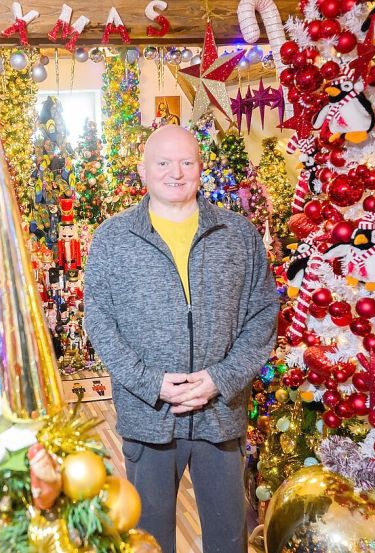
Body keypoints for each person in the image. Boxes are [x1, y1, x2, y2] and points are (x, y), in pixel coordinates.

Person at [84, 125, 278, 552]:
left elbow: (264, 314)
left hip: (221, 414)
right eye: (164, 162)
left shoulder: (238, 235)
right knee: (149, 541)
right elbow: (98, 321)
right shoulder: (113, 239)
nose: (176, 172)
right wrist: (151, 382)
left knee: (229, 540)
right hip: (147, 418)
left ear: (200, 167)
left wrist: (220, 378)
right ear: (144, 171)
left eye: (187, 162)